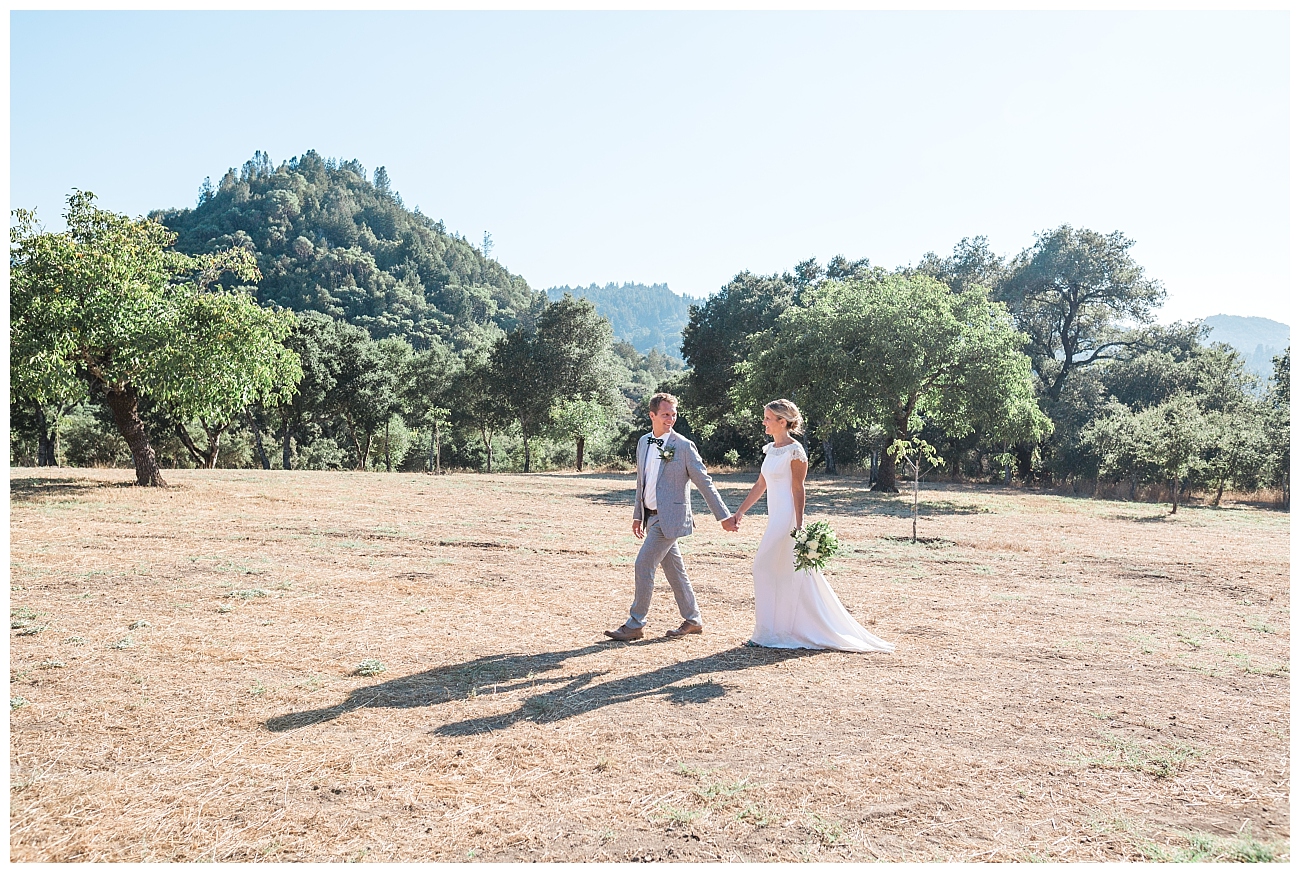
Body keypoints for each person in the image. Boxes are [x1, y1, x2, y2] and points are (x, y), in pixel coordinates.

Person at [725, 399, 894, 653]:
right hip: (775, 517)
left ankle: (772, 633)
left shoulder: (796, 452)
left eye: (768, 418)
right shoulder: (771, 449)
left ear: (783, 422)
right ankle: (769, 632)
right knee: (780, 572)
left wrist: (800, 525)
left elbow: (797, 488)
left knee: (762, 567)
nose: (764, 422)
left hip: (788, 519)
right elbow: (761, 484)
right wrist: (740, 512)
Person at [605, 392, 734, 642]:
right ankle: (693, 619)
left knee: (643, 564)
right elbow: (642, 482)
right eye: (665, 414)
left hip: (670, 519)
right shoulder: (643, 442)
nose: (670, 419)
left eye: (673, 415)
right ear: (652, 415)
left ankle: (635, 624)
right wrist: (637, 515)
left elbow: (704, 482)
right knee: (675, 571)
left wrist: (723, 516)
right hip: (650, 517)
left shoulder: (683, 446)